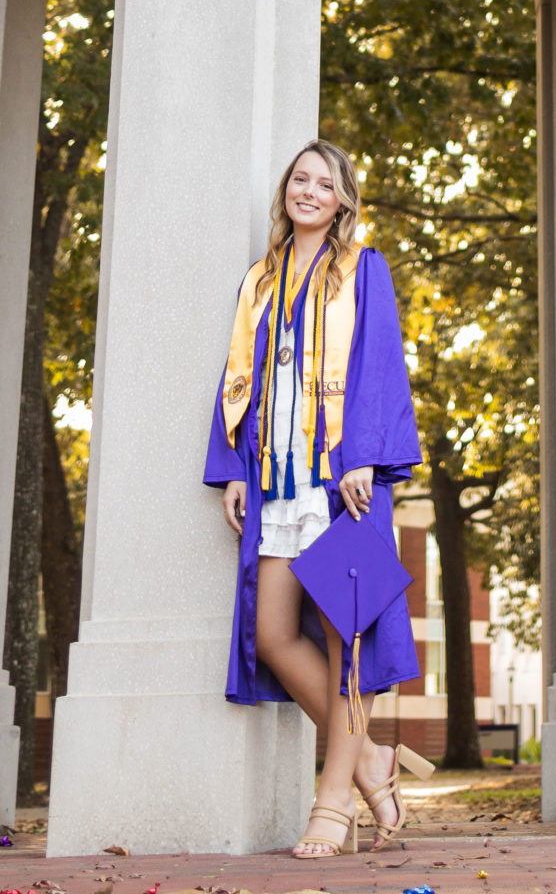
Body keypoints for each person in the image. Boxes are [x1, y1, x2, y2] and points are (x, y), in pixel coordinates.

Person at [206, 137, 429, 856]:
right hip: (276, 477)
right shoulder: (259, 281)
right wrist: (233, 467)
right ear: (286, 193)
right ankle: (369, 759)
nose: (307, 190)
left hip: (337, 484)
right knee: (272, 634)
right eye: (298, 179)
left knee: (347, 645)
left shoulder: (362, 269)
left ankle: (331, 807)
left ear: (341, 201)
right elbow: (237, 377)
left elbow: (378, 361)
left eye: (322, 183)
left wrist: (363, 455)